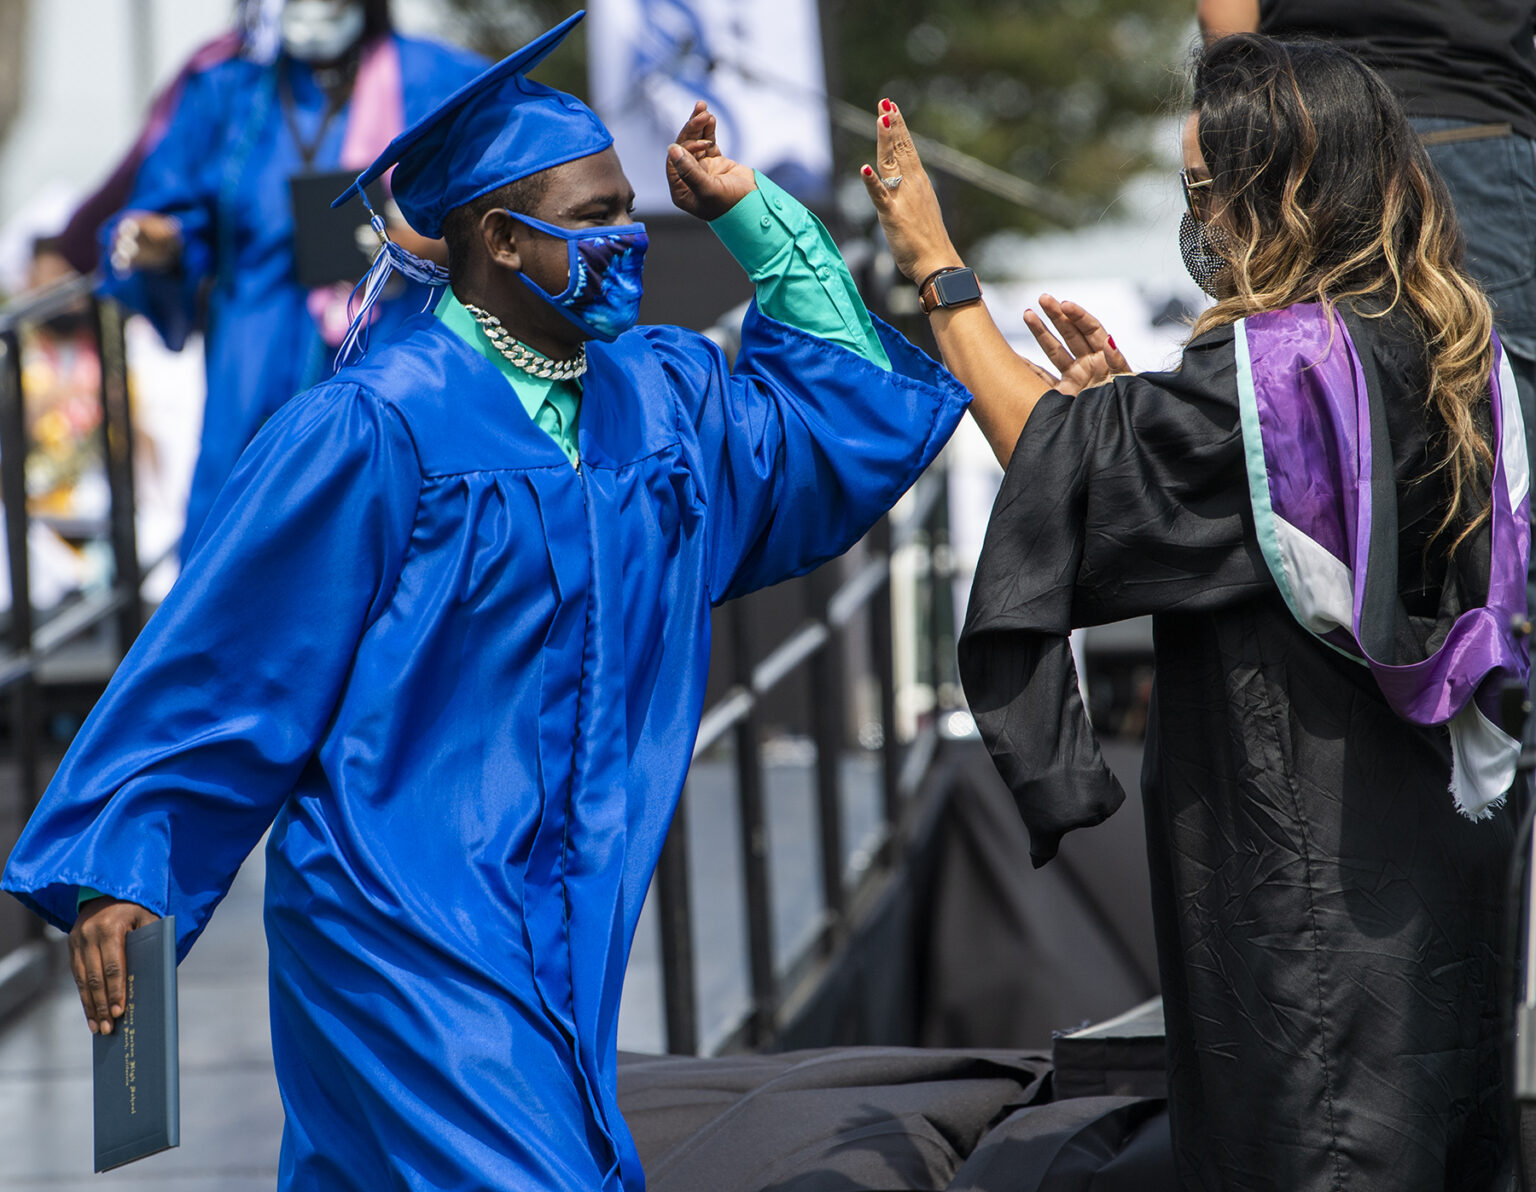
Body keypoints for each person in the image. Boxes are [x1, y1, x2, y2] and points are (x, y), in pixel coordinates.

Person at [1, 13, 970, 1190]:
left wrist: (744, 212)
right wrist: (131, 865)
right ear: (503, 241)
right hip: (397, 910)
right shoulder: (375, 424)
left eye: (630, 211)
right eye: (597, 219)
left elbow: (837, 409)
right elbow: (229, 652)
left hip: (570, 902)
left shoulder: (657, 401)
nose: (632, 238)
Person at [861, 34, 1527, 1190]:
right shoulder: (1451, 349)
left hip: (1304, 892)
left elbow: (1058, 461)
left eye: (1209, 192)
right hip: (1433, 897)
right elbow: (1197, 482)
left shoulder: (1280, 373)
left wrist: (938, 270)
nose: (1200, 217)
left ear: (1282, 193)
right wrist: (1129, 419)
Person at [98, 0, 484, 554]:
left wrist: (435, 241)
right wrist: (161, 239)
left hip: (392, 342)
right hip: (255, 353)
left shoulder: (438, 79)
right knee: (239, 539)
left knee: (387, 530)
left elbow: (501, 205)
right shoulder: (229, 94)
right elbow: (176, 208)